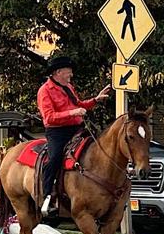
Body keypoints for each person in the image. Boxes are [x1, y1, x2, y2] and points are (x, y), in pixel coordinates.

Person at [36, 56, 112, 216]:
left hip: (76, 128)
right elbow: (48, 117)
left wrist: (95, 100)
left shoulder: (68, 87)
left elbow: (78, 104)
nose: (71, 75)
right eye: (68, 72)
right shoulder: (44, 91)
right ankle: (47, 195)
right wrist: (73, 112)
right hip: (57, 132)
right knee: (55, 158)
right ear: (58, 72)